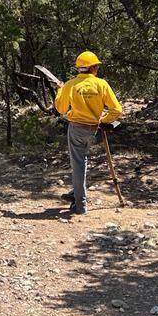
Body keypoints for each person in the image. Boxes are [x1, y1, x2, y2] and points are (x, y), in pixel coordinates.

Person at [53, 51, 123, 215]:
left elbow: (61, 109)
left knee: (78, 164)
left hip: (76, 128)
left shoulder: (70, 85)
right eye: (96, 66)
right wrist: (104, 120)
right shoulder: (101, 84)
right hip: (94, 130)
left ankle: (80, 205)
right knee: (82, 162)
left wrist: (60, 91)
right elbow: (117, 110)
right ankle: (76, 193)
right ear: (93, 68)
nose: (97, 68)